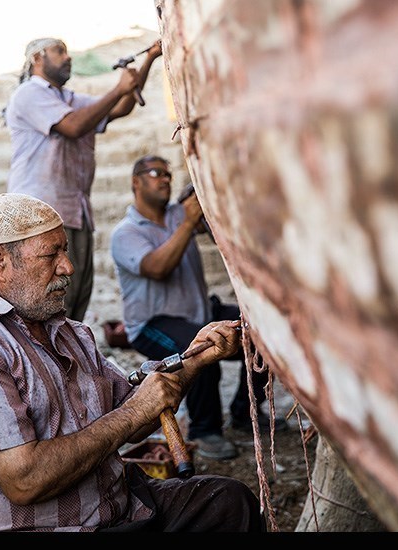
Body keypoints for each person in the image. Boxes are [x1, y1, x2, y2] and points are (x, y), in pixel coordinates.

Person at [0, 193, 263, 532]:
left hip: (114, 509)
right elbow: (24, 480)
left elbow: (136, 415)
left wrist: (198, 358)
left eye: (65, 250)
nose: (68, 266)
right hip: (41, 528)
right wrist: (137, 410)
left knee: (230, 503)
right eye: (52, 255)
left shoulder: (67, 332)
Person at [110, 155, 287, 462]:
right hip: (152, 322)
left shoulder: (180, 213)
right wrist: (190, 222)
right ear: (135, 182)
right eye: (155, 173)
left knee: (264, 327)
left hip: (200, 311)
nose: (164, 178)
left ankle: (246, 414)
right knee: (199, 349)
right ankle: (204, 431)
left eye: (168, 173)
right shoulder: (126, 233)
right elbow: (158, 267)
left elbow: (220, 216)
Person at [4, 37, 162, 322]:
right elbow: (74, 126)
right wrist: (119, 88)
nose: (68, 57)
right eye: (59, 51)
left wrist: (149, 59)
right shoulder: (29, 94)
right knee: (49, 304)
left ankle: (67, 363)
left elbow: (119, 107)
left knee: (74, 300)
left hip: (73, 212)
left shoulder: (69, 99)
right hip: (40, 214)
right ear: (38, 58)